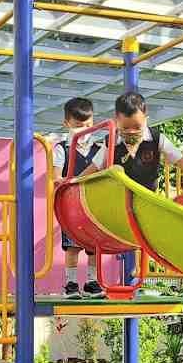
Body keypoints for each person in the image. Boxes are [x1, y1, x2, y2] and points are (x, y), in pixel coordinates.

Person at [53, 97, 106, 297]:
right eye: (78, 125)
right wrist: (63, 181)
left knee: (94, 246)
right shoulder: (62, 149)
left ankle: (92, 282)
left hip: (94, 204)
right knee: (72, 246)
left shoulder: (99, 149)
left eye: (88, 125)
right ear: (67, 124)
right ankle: (71, 283)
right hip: (72, 206)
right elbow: (56, 176)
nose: (84, 130)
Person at [112, 92, 183, 192]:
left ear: (145, 119)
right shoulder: (111, 142)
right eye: (125, 128)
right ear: (116, 121)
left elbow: (181, 161)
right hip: (119, 197)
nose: (131, 132)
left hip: (147, 196)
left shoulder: (156, 139)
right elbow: (96, 168)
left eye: (137, 127)